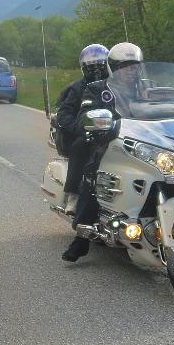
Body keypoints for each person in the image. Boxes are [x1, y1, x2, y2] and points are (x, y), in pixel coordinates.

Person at [55, 44, 111, 262]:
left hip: (115, 133)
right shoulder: (78, 88)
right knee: (82, 147)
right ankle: (74, 195)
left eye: (100, 65)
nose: (96, 70)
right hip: (86, 133)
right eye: (91, 66)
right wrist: (81, 128)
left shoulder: (116, 85)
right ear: (83, 68)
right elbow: (65, 114)